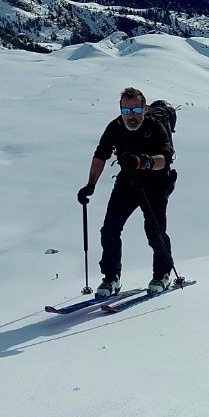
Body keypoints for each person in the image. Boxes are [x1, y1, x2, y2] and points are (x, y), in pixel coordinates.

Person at [76, 86, 177, 297]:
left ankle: (162, 274)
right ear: (121, 110)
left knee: (155, 232)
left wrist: (143, 162)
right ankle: (111, 278)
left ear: (145, 108)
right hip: (128, 183)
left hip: (156, 185)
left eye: (136, 111)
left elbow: (165, 159)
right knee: (109, 231)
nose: (131, 116)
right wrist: (90, 184)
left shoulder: (156, 126)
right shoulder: (115, 127)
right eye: (126, 111)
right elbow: (101, 155)